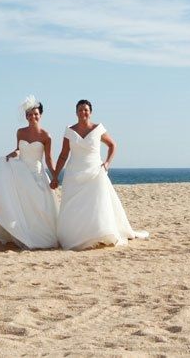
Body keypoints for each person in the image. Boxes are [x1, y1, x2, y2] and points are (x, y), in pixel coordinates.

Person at [51, 100, 149, 250]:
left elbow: (112, 145)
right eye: (80, 110)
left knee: (96, 204)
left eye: (86, 110)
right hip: (74, 174)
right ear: (76, 112)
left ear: (90, 112)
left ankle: (97, 234)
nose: (83, 112)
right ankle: (75, 236)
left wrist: (107, 163)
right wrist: (56, 175)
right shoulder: (69, 131)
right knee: (73, 206)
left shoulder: (98, 129)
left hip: (95, 172)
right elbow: (63, 155)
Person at [0, 95, 58, 249]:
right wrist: (14, 153)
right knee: (21, 205)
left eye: (36, 114)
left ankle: (38, 236)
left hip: (37, 174)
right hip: (21, 172)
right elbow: (19, 149)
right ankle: (22, 234)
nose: (32, 117)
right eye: (29, 114)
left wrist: (54, 176)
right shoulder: (20, 132)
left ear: (40, 115)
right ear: (26, 116)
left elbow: (49, 159)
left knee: (39, 208)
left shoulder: (46, 136)